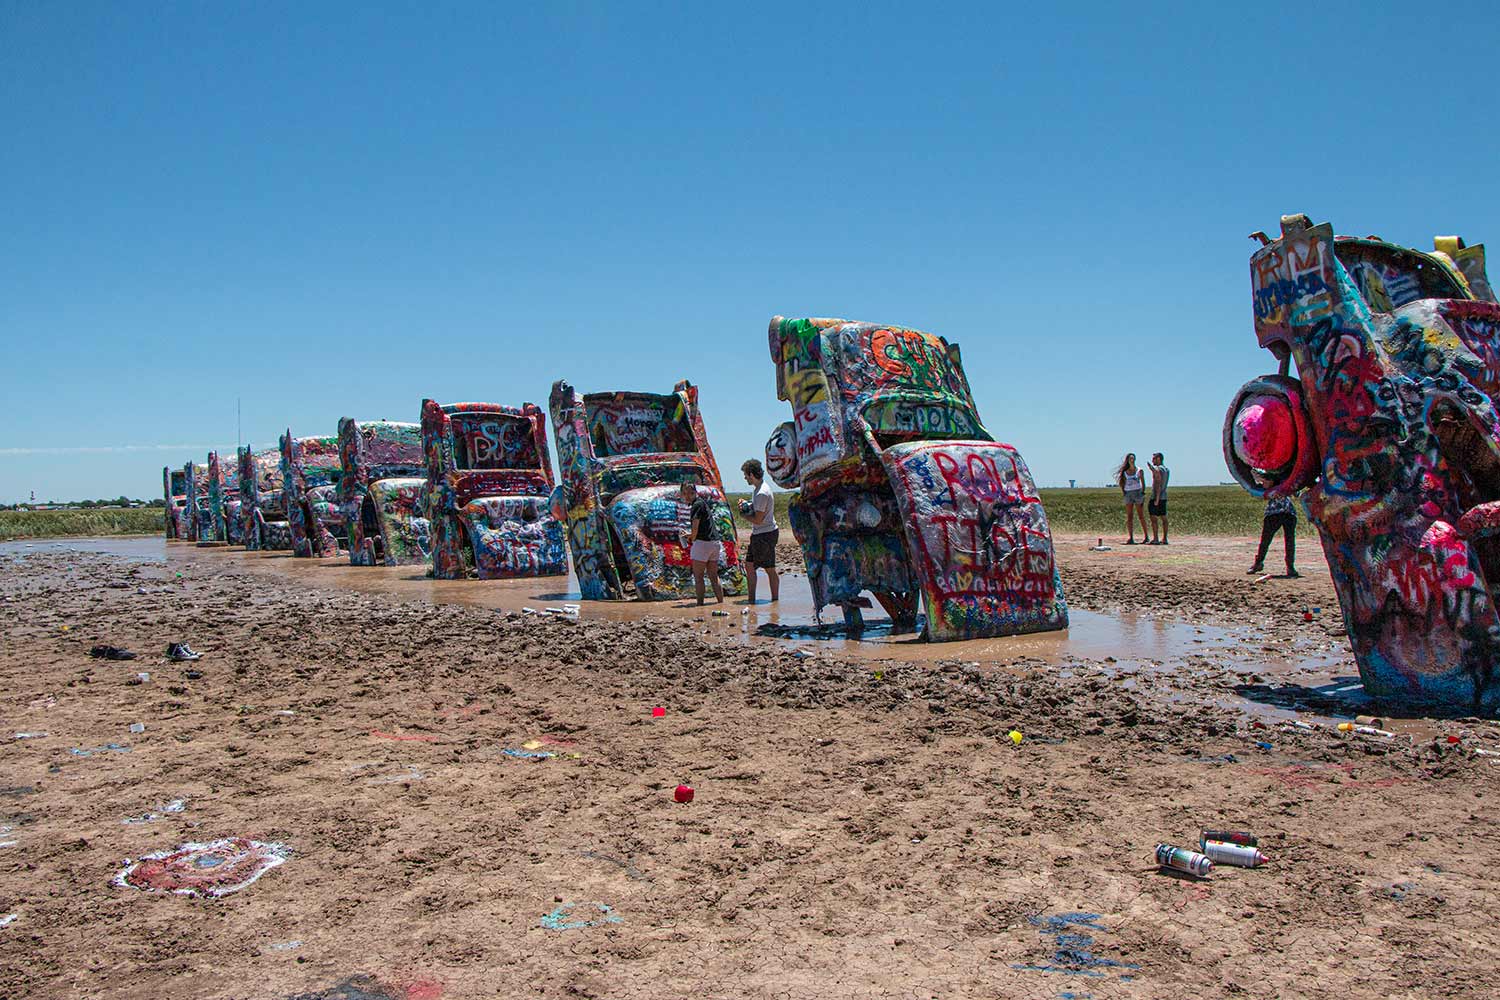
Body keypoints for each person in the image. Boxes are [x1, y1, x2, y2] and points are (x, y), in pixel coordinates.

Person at [739, 458, 780, 603]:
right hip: (764, 533)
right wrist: (747, 505)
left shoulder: (761, 492)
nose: (745, 478)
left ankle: (754, 600)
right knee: (763, 566)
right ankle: (773, 600)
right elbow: (758, 511)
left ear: (751, 474)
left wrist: (743, 514)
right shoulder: (760, 489)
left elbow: (758, 519)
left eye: (745, 475)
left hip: (764, 534)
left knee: (761, 567)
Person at [678, 481, 725, 605]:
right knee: (714, 576)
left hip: (702, 544)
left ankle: (700, 605)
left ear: (695, 493)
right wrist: (691, 535)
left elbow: (695, 526)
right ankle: (721, 603)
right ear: (682, 494)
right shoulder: (702, 503)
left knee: (698, 577)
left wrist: (691, 537)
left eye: (691, 493)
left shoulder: (696, 506)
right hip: (714, 543)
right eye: (685, 493)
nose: (688, 496)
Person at [1249, 494, 1299, 578]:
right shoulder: (1271, 481)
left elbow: (1296, 493)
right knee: (1266, 539)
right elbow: (1262, 494)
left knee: (1289, 541)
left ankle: (1290, 566)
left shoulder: (1289, 482)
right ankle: (1258, 563)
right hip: (1274, 512)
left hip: (1287, 512)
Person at [1115, 453, 1149, 544]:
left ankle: (1146, 536)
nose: (1131, 460)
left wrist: (1142, 492)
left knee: (1141, 516)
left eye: (1133, 458)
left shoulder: (1139, 470)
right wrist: (1124, 492)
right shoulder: (1124, 472)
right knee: (1130, 516)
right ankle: (1131, 537)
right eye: (1130, 458)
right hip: (1128, 493)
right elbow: (1122, 483)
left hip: (1138, 492)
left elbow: (1143, 482)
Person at [1147, 452, 1170, 545]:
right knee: (1164, 517)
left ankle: (1156, 538)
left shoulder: (1158, 469)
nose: (1153, 460)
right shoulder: (1166, 469)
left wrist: (1156, 498)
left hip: (1157, 496)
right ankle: (1164, 538)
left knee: (1153, 517)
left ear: (1159, 459)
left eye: (1154, 459)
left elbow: (1158, 483)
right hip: (1164, 496)